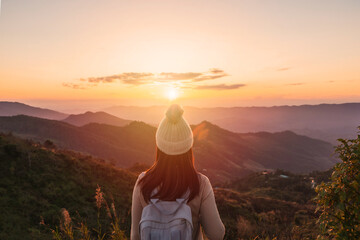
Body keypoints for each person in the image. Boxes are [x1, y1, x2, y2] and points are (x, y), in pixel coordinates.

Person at [131, 104, 225, 240]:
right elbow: (217, 234)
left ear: (159, 147)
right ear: (188, 148)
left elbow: (135, 235)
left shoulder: (143, 182)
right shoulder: (200, 184)